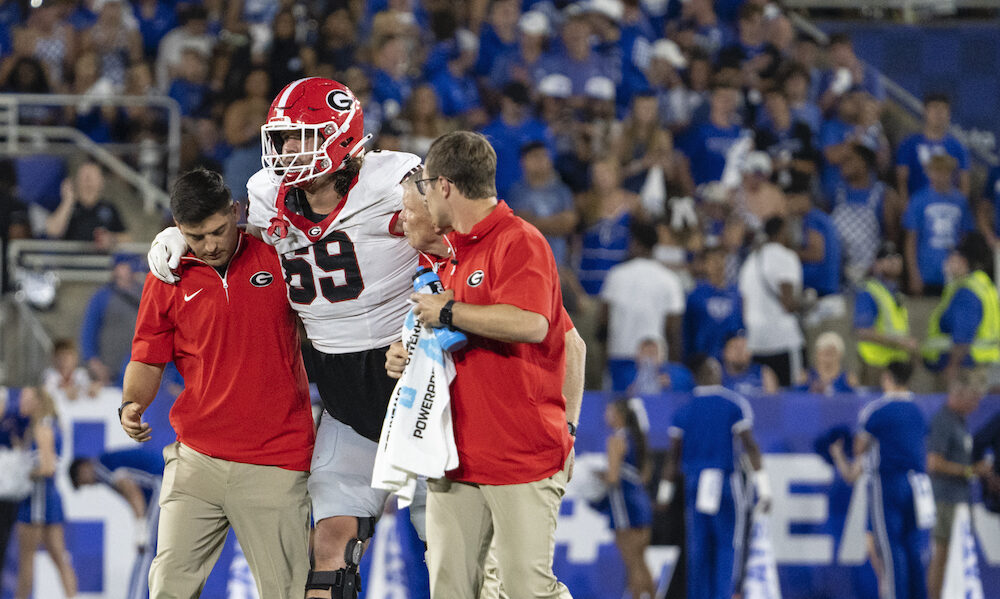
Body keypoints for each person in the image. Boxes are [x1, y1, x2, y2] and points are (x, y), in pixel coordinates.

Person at [147, 78, 429, 599]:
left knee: (447, 543)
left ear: (343, 135)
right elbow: (236, 241)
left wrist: (423, 324)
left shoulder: (396, 180)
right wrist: (177, 235)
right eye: (284, 138)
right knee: (329, 550)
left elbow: (453, 249)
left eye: (304, 137)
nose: (289, 150)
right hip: (341, 391)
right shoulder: (262, 192)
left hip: (412, 377)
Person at [393, 157, 586, 599]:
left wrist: (569, 429)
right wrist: (406, 358)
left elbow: (571, 345)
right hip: (452, 454)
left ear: (438, 203)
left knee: (518, 587)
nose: (400, 220)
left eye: (406, 209)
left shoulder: (500, 251)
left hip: (513, 452)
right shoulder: (437, 269)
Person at [123, 168, 315, 598]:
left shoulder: (277, 255)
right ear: (177, 230)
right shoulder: (167, 274)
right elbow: (148, 353)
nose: (210, 245)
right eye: (195, 237)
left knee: (287, 592)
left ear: (236, 211)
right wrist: (131, 404)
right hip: (197, 461)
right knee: (168, 588)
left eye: (218, 231)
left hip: (275, 461)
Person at [657, 354, 771, 599]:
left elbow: (672, 456)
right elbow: (750, 446)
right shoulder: (734, 404)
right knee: (727, 548)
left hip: (695, 484)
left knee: (698, 550)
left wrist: (664, 493)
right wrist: (765, 489)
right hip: (724, 483)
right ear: (717, 374)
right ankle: (725, 594)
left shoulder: (684, 410)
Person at [829, 361, 931, 599]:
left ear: (887, 377)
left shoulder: (877, 411)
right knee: (913, 549)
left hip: (889, 483)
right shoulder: (919, 410)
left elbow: (858, 450)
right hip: (917, 486)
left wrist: (840, 452)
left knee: (889, 549)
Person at [600, 219, 686, 391]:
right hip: (656, 359)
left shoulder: (616, 276)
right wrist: (673, 364)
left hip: (619, 355)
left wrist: (604, 359)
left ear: (635, 243)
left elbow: (603, 322)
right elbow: (673, 329)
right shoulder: (670, 279)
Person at [69, 448, 164, 599]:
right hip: (165, 481)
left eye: (82, 481)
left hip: (161, 484)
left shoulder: (101, 468)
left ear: (83, 468)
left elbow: (132, 492)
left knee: (146, 549)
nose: (87, 485)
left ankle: (136, 595)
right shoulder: (108, 462)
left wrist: (141, 529)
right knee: (159, 549)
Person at [925, 371, 986, 599]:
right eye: (973, 398)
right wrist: (969, 471)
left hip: (959, 497)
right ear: (958, 394)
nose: (976, 404)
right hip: (944, 498)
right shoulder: (943, 420)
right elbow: (933, 462)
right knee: (941, 554)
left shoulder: (960, 420)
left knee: (957, 554)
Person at [15, 387, 78, 599]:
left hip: (38, 498)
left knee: (27, 559)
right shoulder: (41, 425)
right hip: (48, 497)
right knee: (58, 557)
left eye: (26, 398)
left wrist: (21, 474)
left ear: (38, 402)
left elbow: (47, 467)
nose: (21, 402)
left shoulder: (42, 427)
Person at [590, 400, 655, 599]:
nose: (606, 416)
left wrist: (594, 475)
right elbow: (645, 475)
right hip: (641, 502)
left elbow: (613, 478)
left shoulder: (616, 440)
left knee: (632, 563)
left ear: (619, 415)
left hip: (624, 507)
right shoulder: (637, 439)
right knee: (641, 562)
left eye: (609, 411)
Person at [922, 231, 1000, 378]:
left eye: (952, 257)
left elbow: (962, 337)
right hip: (981, 366)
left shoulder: (967, 292)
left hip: (965, 370)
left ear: (963, 261)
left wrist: (952, 368)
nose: (947, 261)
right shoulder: (982, 284)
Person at [738, 216, 804, 386]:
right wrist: (810, 304)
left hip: (754, 341)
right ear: (782, 232)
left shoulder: (750, 261)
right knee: (791, 398)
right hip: (782, 339)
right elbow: (788, 304)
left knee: (761, 400)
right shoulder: (786, 257)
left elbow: (743, 303)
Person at [903, 154, 975, 296]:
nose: (940, 176)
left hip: (955, 273)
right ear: (928, 172)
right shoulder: (918, 200)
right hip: (927, 272)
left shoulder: (960, 201)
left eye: (945, 171)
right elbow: (911, 240)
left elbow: (967, 238)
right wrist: (913, 274)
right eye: (936, 171)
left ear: (952, 173)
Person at [854, 242, 918, 386]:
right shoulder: (869, 291)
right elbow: (863, 331)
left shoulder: (896, 293)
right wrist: (900, 342)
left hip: (897, 365)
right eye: (887, 258)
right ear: (877, 264)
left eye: (896, 257)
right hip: (875, 364)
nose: (893, 262)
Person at [79, 253, 144, 386]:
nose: (130, 269)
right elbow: (89, 329)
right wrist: (93, 361)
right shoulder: (102, 296)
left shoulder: (145, 292)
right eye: (125, 265)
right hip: (109, 369)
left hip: (140, 367)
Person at [895, 93, 970, 204]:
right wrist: (906, 210)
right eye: (934, 107)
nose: (939, 113)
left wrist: (960, 208)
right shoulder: (909, 144)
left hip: (948, 208)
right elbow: (902, 180)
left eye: (943, 109)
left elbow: (964, 183)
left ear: (949, 114)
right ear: (925, 111)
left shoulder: (958, 147)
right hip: (917, 208)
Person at [44, 161, 129, 250]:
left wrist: (111, 238)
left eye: (92, 176)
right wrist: (68, 201)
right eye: (84, 176)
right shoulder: (67, 206)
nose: (88, 180)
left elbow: (127, 238)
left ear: (101, 182)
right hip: (71, 260)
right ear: (76, 180)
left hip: (101, 261)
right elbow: (52, 232)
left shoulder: (109, 208)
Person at [684, 245, 744, 361]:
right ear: (705, 265)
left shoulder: (736, 294)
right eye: (713, 260)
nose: (718, 264)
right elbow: (687, 331)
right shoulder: (695, 295)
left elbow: (741, 325)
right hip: (703, 357)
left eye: (722, 259)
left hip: (730, 361)